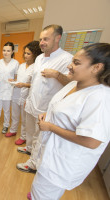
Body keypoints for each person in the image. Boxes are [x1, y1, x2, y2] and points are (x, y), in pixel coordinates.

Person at [28, 43, 110, 200]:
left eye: (76, 63)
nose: (69, 66)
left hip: (61, 165)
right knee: (40, 191)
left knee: (41, 194)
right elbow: (62, 107)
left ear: (96, 67)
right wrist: (49, 114)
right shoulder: (75, 83)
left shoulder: (101, 97)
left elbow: (92, 141)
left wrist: (50, 126)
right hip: (49, 155)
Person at [16, 24, 73, 173]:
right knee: (29, 131)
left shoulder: (66, 59)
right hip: (31, 103)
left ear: (57, 38)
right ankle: (29, 149)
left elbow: (73, 84)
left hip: (45, 108)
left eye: (46, 39)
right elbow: (35, 82)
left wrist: (57, 75)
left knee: (39, 137)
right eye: (41, 39)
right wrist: (28, 99)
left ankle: (33, 163)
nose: (42, 42)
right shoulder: (40, 58)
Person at [5, 41, 42, 145]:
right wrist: (13, 81)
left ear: (35, 54)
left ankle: (23, 136)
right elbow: (18, 78)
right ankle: (13, 130)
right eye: (25, 53)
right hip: (16, 94)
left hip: (26, 96)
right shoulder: (21, 65)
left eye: (28, 53)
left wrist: (24, 85)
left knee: (25, 119)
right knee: (15, 115)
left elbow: (35, 85)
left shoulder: (36, 68)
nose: (25, 55)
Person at [0, 42, 19, 134]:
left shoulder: (15, 63)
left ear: (12, 51)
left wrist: (14, 80)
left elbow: (16, 77)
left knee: (7, 110)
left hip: (9, 89)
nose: (5, 52)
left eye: (8, 51)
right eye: (4, 50)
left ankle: (6, 125)